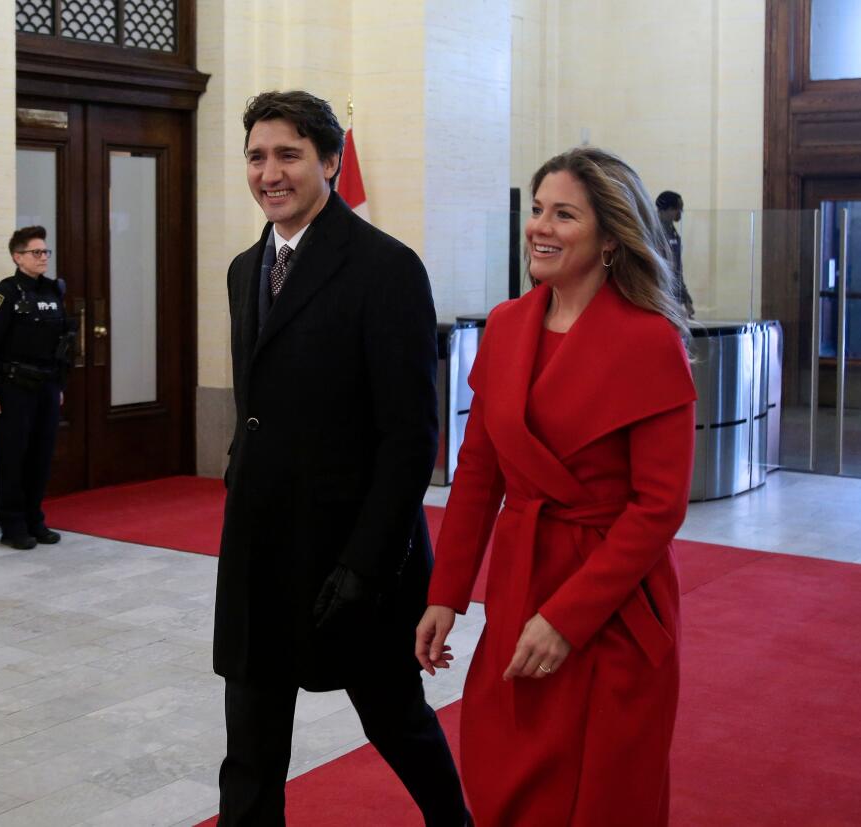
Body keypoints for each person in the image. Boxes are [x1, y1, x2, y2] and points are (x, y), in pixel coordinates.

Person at [416, 148, 696, 826]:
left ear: (609, 237)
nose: (539, 226)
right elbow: (478, 473)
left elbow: (658, 507)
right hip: (520, 582)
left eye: (563, 214)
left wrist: (569, 617)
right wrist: (445, 594)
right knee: (505, 770)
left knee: (601, 793)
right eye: (537, 209)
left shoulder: (650, 339)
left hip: (612, 605)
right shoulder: (508, 323)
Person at [214, 90, 469, 826]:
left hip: (355, 560)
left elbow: (410, 434)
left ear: (331, 160)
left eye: (288, 154)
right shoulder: (242, 269)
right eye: (257, 156)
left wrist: (364, 562)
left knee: (396, 722)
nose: (270, 173)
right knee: (251, 747)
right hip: (262, 551)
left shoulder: (385, 269)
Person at [0, 226, 72, 550]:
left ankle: (35, 520)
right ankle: (13, 525)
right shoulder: (7, 294)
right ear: (17, 257)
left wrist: (59, 385)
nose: (43, 258)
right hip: (13, 389)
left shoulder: (53, 292)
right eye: (36, 252)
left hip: (45, 387)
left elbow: (62, 346)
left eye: (45, 252)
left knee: (41, 458)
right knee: (13, 459)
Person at [656, 190, 695, 317]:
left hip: (672, 297)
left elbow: (677, 270)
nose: (680, 213)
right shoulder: (652, 232)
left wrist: (685, 298)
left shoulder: (673, 234)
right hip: (658, 297)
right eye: (678, 209)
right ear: (667, 209)